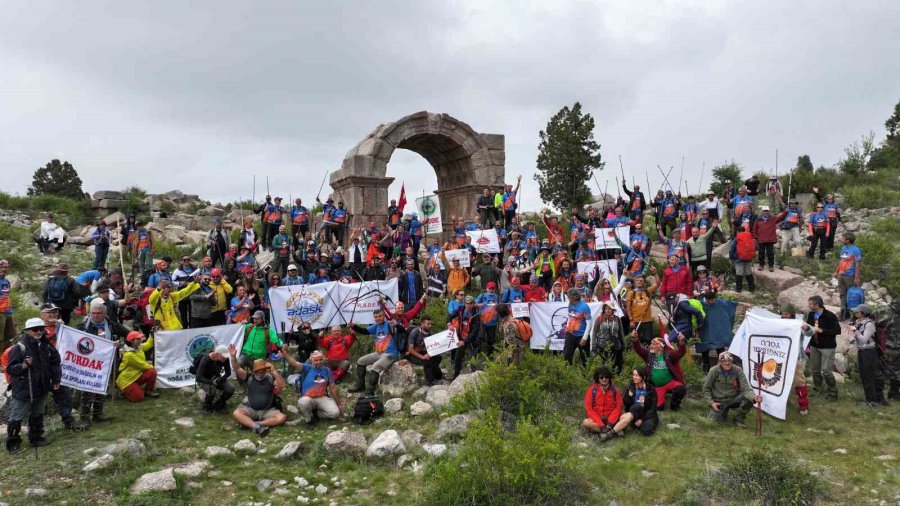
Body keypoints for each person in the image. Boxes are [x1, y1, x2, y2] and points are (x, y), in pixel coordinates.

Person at [4, 318, 60, 453]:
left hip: (41, 387)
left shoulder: (46, 346)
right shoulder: (20, 347)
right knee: (17, 417)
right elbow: (10, 369)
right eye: (35, 329)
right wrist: (23, 365)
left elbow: (55, 363)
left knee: (38, 413)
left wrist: (56, 380)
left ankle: (36, 438)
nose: (39, 332)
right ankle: (13, 443)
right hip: (24, 388)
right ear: (27, 331)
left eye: (41, 329)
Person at [77, 301, 129, 425]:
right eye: (93, 313)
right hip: (89, 363)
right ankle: (84, 418)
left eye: (98, 313)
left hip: (106, 362)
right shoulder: (83, 327)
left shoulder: (111, 325)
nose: (95, 315)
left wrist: (120, 344)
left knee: (102, 387)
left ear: (104, 313)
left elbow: (128, 334)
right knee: (87, 389)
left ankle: (97, 415)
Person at [229, 344, 286, 436]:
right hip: (251, 409)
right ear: (254, 371)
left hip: (268, 410)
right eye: (258, 371)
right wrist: (233, 357)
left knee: (282, 417)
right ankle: (257, 427)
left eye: (262, 371)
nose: (260, 373)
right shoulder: (248, 377)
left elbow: (282, 386)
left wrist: (274, 372)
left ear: (265, 370)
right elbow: (237, 368)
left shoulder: (270, 377)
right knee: (236, 413)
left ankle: (256, 424)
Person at [286, 350, 343, 429]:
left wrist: (339, 404)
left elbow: (333, 388)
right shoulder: (306, 368)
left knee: (335, 413)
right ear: (311, 360)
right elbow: (293, 363)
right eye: (316, 360)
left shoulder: (327, 370)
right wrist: (285, 354)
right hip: (308, 397)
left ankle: (315, 414)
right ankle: (308, 420)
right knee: (303, 402)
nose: (318, 362)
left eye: (320, 359)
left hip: (322, 397)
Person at [703, 351, 761, 428]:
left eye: (729, 360)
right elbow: (705, 388)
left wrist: (754, 397)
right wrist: (711, 403)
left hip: (734, 398)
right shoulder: (713, 371)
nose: (727, 363)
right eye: (724, 361)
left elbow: (746, 388)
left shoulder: (738, 370)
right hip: (719, 401)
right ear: (720, 362)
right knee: (714, 421)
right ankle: (723, 411)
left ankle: (739, 418)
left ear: (732, 361)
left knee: (749, 399)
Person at [348, 309, 398, 395]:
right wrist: (353, 326)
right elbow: (365, 331)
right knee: (361, 361)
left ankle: (370, 390)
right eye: (376, 317)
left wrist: (397, 326)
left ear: (384, 316)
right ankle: (360, 386)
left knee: (375, 366)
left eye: (380, 316)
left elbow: (400, 330)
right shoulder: (376, 326)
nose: (378, 318)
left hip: (391, 354)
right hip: (378, 353)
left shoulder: (390, 324)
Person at [632, 335, 687, 411]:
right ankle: (660, 403)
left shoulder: (669, 354)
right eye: (651, 343)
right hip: (657, 386)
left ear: (660, 346)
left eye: (653, 344)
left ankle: (674, 405)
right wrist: (635, 339)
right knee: (659, 408)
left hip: (669, 382)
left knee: (681, 388)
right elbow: (639, 349)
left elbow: (680, 353)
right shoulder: (649, 355)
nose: (650, 346)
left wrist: (681, 343)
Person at [849, 304, 887, 407]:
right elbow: (858, 337)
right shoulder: (858, 322)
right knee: (864, 374)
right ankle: (870, 398)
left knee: (869, 375)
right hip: (862, 351)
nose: (855, 313)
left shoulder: (869, 324)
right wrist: (853, 338)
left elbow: (864, 339)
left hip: (869, 352)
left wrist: (855, 331)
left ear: (863, 313)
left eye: (857, 311)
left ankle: (873, 400)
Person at [804, 295, 841, 401]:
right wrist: (807, 328)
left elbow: (837, 331)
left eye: (810, 304)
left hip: (827, 347)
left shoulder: (830, 315)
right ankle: (818, 389)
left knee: (826, 371)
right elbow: (810, 329)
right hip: (814, 346)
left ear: (817, 304)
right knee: (815, 370)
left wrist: (822, 331)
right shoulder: (810, 314)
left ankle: (833, 392)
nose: (809, 305)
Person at [607, 368, 659, 439]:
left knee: (647, 431)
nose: (634, 377)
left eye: (637, 375)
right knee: (637, 406)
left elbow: (653, 408)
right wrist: (629, 396)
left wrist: (642, 420)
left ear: (643, 377)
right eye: (633, 375)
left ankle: (630, 425)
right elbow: (626, 404)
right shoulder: (631, 387)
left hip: (647, 415)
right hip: (634, 414)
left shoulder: (650, 389)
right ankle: (614, 431)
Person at [697, 292, 738, 372]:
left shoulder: (719, 302)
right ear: (707, 299)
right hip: (705, 330)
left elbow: (730, 304)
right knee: (705, 349)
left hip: (717, 331)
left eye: (714, 299)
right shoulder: (700, 304)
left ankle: (722, 367)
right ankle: (706, 368)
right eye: (711, 300)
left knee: (720, 348)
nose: (713, 301)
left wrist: (744, 304)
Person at [581, 366, 622, 440]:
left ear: (609, 377)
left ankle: (606, 432)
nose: (604, 379)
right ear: (597, 378)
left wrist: (610, 422)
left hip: (611, 420)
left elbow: (618, 408)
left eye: (606, 377)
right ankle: (613, 432)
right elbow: (589, 410)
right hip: (597, 420)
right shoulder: (592, 390)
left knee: (626, 417)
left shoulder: (615, 390)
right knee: (586, 422)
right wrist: (601, 424)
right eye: (601, 377)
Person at [117, 331, 158, 402]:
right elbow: (142, 365)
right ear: (131, 341)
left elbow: (148, 344)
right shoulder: (129, 354)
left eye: (140, 338)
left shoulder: (139, 347)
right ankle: (123, 391)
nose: (140, 340)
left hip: (136, 375)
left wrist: (151, 335)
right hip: (127, 380)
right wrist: (151, 366)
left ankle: (148, 391)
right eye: (138, 339)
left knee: (152, 371)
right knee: (139, 397)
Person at [195, 345, 234, 414]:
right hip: (204, 379)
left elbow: (228, 372)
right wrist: (211, 382)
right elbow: (198, 377)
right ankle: (206, 406)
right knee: (212, 389)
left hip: (216, 378)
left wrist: (220, 379)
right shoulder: (205, 359)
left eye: (226, 356)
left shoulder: (225, 359)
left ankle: (219, 404)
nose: (225, 358)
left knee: (230, 389)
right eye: (223, 356)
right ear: (216, 354)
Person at [406, 316, 444, 385]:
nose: (430, 326)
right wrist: (422, 357)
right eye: (428, 324)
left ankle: (437, 376)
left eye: (431, 324)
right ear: (422, 323)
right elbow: (410, 349)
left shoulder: (430, 333)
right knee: (426, 361)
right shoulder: (415, 332)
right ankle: (429, 381)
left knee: (438, 357)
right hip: (410, 354)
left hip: (420, 351)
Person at [834, 232, 862, 321]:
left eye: (843, 238)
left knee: (852, 296)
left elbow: (858, 264)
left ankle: (854, 315)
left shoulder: (855, 250)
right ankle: (843, 313)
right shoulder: (843, 248)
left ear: (848, 240)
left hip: (850, 276)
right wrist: (836, 271)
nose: (841, 239)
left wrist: (857, 277)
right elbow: (841, 260)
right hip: (841, 275)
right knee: (842, 294)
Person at [591, 303, 624, 373]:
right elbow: (594, 333)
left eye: (610, 308)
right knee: (603, 368)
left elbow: (621, 333)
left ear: (613, 310)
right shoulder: (599, 319)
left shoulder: (617, 319)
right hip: (602, 347)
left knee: (615, 367)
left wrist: (623, 344)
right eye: (606, 308)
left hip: (615, 347)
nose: (608, 310)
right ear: (604, 309)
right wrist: (593, 346)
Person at [563, 288, 592, 367]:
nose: (568, 298)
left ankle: (585, 376)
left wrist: (585, 338)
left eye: (569, 296)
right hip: (571, 334)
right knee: (566, 356)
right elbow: (570, 316)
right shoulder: (570, 304)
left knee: (585, 359)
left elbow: (589, 323)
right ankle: (567, 374)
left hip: (581, 335)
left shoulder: (585, 307)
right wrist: (568, 325)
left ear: (573, 297)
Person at [626, 276, 657, 345]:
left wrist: (655, 274)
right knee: (637, 341)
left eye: (641, 281)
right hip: (636, 320)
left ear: (644, 283)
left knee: (649, 341)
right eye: (637, 280)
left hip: (648, 320)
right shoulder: (631, 293)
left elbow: (656, 284)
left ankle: (649, 355)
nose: (639, 282)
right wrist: (631, 320)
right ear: (635, 282)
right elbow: (628, 308)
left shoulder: (647, 291)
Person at [752, 206, 783, 272]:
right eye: (764, 211)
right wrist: (754, 237)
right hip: (761, 239)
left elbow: (780, 218)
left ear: (769, 211)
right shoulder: (758, 219)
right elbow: (755, 228)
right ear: (762, 212)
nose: (765, 212)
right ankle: (761, 265)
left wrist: (785, 212)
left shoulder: (773, 218)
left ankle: (771, 266)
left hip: (770, 239)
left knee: (770, 253)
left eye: (767, 211)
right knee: (761, 253)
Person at [730, 221, 757, 293]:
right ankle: (752, 288)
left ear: (738, 232)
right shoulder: (749, 237)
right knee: (748, 273)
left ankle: (739, 289)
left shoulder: (736, 238)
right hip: (748, 259)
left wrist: (731, 258)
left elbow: (731, 248)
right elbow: (754, 247)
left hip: (738, 259)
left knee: (739, 273)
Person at [0, 259, 17, 348]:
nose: (3, 269)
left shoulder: (6, 281)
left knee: (11, 337)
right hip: (0, 314)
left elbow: (7, 296)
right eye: (1, 267)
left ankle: (5, 359)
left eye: (6, 267)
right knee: (1, 338)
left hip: (8, 312)